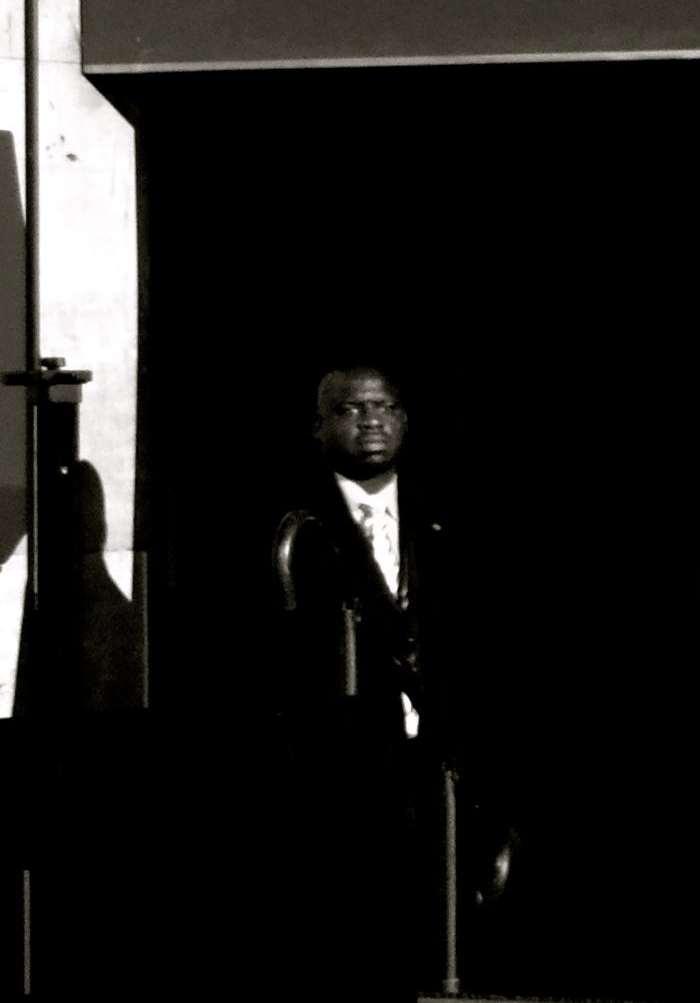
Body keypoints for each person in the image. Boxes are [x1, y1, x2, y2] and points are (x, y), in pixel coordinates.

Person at [267, 366, 503, 990]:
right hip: (339, 772)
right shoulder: (295, 527)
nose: (370, 420)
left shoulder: (448, 515)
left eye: (383, 406)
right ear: (319, 426)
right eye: (350, 409)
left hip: (438, 766)